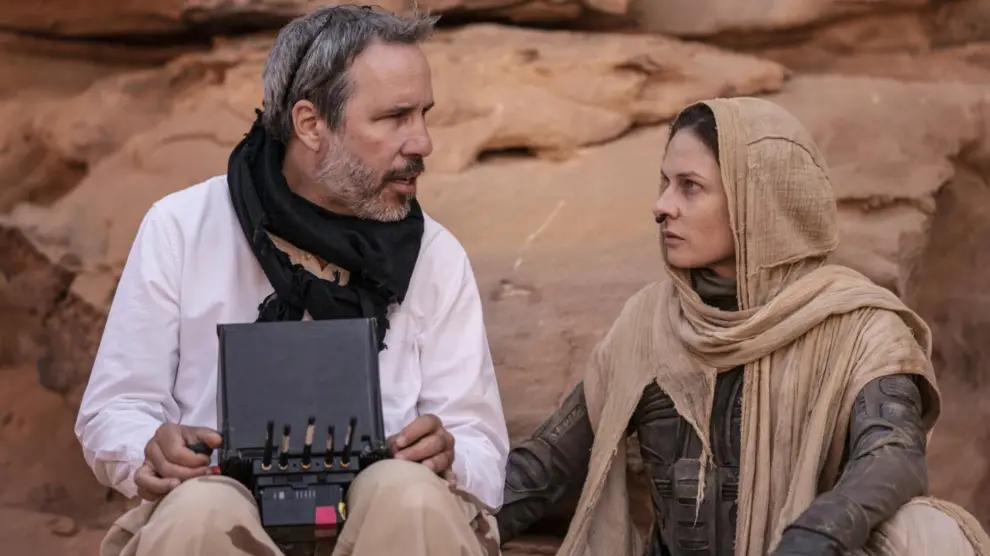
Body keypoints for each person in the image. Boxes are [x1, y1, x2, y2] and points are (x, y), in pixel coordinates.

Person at [73, 5, 510, 556]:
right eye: (395, 117)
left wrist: (449, 455)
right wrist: (148, 449)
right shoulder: (182, 228)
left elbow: (482, 447)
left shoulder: (435, 255)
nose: (423, 142)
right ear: (310, 124)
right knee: (203, 508)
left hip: (390, 527)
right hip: (213, 518)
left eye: (424, 114)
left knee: (409, 495)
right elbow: (113, 409)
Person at [494, 98, 990, 556]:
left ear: (759, 200)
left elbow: (893, 455)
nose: (662, 206)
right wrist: (456, 518)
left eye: (690, 186)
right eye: (665, 184)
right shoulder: (647, 325)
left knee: (928, 531)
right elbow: (545, 468)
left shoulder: (859, 328)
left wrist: (814, 536)